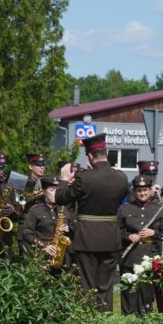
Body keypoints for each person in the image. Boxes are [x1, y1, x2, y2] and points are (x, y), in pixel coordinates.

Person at [57, 133, 129, 311]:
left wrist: (65, 180)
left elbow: (61, 198)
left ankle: (89, 323)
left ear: (89, 156)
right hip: (111, 238)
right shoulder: (121, 177)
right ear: (108, 152)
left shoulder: (85, 178)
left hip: (87, 238)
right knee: (106, 286)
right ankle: (104, 319)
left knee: (87, 286)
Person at [119, 174, 163, 315]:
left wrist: (154, 233)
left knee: (147, 294)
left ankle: (145, 322)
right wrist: (128, 236)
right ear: (134, 192)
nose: (142, 193)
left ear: (151, 191)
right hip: (130, 256)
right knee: (129, 293)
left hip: (150, 257)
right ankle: (127, 321)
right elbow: (116, 231)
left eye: (145, 190)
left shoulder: (159, 209)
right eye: (139, 190)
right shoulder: (125, 209)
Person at [19, 176, 75, 269]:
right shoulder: (36, 210)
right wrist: (44, 246)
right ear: (44, 192)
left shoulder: (65, 209)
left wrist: (69, 228)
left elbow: (76, 227)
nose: (55, 193)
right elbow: (27, 232)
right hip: (42, 256)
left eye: (57, 190)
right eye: (52, 190)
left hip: (62, 257)